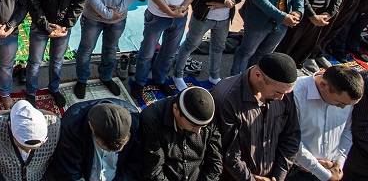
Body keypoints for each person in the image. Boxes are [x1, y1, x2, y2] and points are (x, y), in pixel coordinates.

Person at [211, 52, 301, 181]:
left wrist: (278, 176)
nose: (281, 98)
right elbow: (229, 153)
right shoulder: (227, 99)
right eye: (277, 92)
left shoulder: (283, 92)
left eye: (286, 93)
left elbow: (291, 136)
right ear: (258, 75)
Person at [172, 0, 253, 89]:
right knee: (191, 44)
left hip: (224, 17)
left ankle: (214, 76)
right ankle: (177, 74)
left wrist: (232, 1)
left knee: (218, 47)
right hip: (203, 15)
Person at [25, 0, 84, 108]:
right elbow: (33, 3)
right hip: (41, 25)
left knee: (57, 61)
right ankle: (31, 92)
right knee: (35, 62)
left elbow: (79, 0)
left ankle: (54, 88)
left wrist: (66, 24)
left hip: (63, 25)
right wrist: (47, 27)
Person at [291, 65, 363, 181]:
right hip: (296, 172)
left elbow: (346, 130)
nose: (343, 108)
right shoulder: (295, 95)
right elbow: (292, 139)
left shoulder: (345, 99)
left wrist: (338, 163)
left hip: (330, 170)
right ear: (323, 85)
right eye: (339, 103)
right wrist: (322, 173)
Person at [139, 87, 222, 181]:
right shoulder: (152, 120)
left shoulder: (207, 114)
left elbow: (215, 163)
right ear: (176, 109)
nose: (198, 132)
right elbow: (154, 171)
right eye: (193, 126)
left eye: (203, 127)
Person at [54, 99, 140, 180]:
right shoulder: (72, 126)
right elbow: (68, 170)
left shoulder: (135, 121)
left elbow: (135, 164)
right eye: (105, 148)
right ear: (91, 126)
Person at [0, 100, 59, 181]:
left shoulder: (55, 127)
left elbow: (59, 164)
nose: (28, 151)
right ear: (10, 126)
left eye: (34, 148)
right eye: (22, 146)